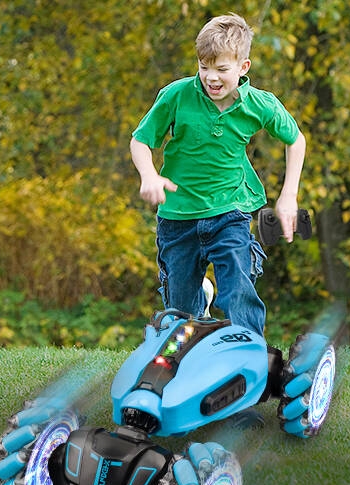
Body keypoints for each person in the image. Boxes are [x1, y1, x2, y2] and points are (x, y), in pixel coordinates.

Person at [130, 13, 306, 335]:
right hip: (177, 216)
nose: (211, 77)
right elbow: (140, 140)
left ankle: (249, 352)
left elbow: (296, 140)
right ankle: (196, 323)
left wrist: (288, 196)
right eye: (203, 66)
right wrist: (149, 175)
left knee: (237, 286)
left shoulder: (259, 104)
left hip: (230, 210)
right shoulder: (177, 96)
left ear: (243, 67)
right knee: (180, 314)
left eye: (222, 69)